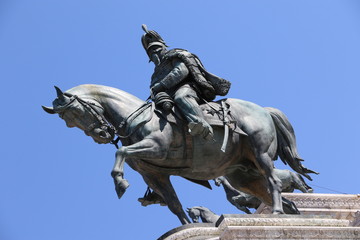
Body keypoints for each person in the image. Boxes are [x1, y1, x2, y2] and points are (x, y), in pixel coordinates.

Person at [141, 24, 231, 140]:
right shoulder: (155, 75)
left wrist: (162, 85)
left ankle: (201, 125)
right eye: (151, 52)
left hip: (187, 87)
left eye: (156, 49)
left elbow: (182, 70)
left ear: (163, 47)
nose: (155, 53)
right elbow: (154, 89)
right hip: (166, 97)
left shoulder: (174, 55)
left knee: (181, 97)